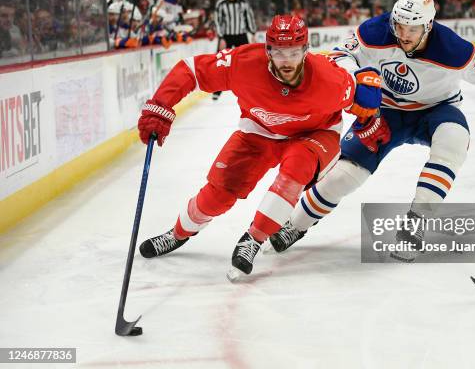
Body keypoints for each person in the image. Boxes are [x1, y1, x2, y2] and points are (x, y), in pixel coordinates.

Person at [265, 0, 475, 262]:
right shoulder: (376, 31)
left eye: (411, 29)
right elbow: (336, 56)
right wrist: (358, 75)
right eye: (399, 25)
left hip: (437, 110)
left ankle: (416, 223)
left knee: (454, 141)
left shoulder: (452, 50)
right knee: (343, 177)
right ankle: (297, 223)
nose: (402, 33)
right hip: (384, 112)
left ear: (428, 26)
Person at [136, 15, 383, 281]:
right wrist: (160, 106)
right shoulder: (243, 63)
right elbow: (190, 70)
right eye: (278, 52)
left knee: (297, 166)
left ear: (305, 50)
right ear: (267, 50)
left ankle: (254, 238)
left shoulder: (330, 82)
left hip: (315, 134)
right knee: (217, 195)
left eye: (293, 52)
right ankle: (177, 233)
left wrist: (366, 101)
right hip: (258, 132)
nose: (286, 60)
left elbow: (360, 96)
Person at [211, 0, 256, 101]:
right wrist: (220, 37)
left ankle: (250, 87)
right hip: (226, 36)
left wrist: (252, 32)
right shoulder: (221, 4)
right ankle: (217, 90)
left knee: (247, 62)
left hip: (241, 35)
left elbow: (249, 17)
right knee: (219, 62)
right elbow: (217, 21)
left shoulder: (243, 2)